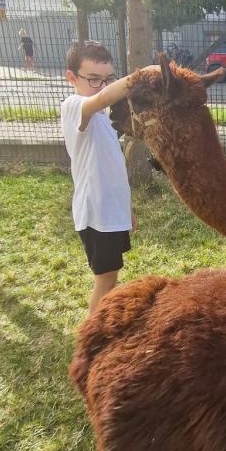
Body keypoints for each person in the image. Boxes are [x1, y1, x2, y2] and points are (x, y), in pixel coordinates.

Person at [61, 41, 160, 315]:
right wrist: (144, 75)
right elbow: (102, 99)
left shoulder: (102, 119)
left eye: (108, 79)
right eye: (93, 79)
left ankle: (104, 324)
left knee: (111, 276)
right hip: (95, 215)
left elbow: (111, 171)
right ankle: (92, 338)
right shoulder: (75, 106)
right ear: (71, 77)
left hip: (110, 213)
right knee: (105, 281)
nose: (103, 87)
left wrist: (125, 211)